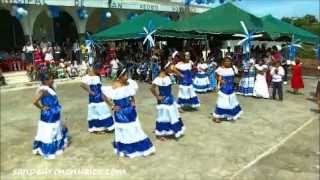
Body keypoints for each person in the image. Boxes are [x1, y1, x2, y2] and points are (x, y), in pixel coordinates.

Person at [102, 68, 155, 158]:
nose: (127, 77)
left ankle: (138, 147)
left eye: (127, 75)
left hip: (131, 111)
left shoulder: (129, 83)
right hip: (120, 113)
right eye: (125, 75)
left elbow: (131, 94)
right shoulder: (115, 86)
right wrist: (112, 106)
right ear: (120, 77)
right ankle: (127, 149)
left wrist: (133, 101)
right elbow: (103, 95)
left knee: (135, 129)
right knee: (125, 131)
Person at [32, 73, 69, 159]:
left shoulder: (50, 88)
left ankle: (55, 147)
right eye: (50, 79)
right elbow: (34, 101)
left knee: (55, 130)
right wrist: (42, 107)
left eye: (52, 78)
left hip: (54, 113)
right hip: (48, 115)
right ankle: (46, 149)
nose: (52, 80)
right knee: (49, 132)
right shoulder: (43, 90)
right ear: (45, 81)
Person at [150, 62, 185, 139]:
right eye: (169, 68)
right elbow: (152, 88)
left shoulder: (168, 76)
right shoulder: (158, 78)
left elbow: (180, 75)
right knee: (163, 116)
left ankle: (169, 130)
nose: (171, 69)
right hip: (163, 101)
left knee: (171, 115)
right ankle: (161, 133)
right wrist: (157, 96)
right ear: (165, 68)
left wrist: (173, 69)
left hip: (170, 98)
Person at [80, 63, 114, 133]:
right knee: (98, 112)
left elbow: (100, 88)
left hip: (98, 95)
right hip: (95, 96)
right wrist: (89, 91)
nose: (100, 71)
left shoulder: (97, 76)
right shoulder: (89, 76)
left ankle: (101, 128)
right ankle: (100, 128)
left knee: (100, 112)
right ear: (96, 68)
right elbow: (82, 84)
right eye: (99, 69)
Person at [212, 57, 242, 123]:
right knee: (221, 102)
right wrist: (220, 80)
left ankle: (229, 115)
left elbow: (238, 75)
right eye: (226, 61)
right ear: (223, 62)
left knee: (231, 102)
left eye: (229, 61)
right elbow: (216, 75)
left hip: (231, 88)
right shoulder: (220, 69)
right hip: (224, 88)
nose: (227, 62)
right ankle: (217, 117)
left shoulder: (233, 68)